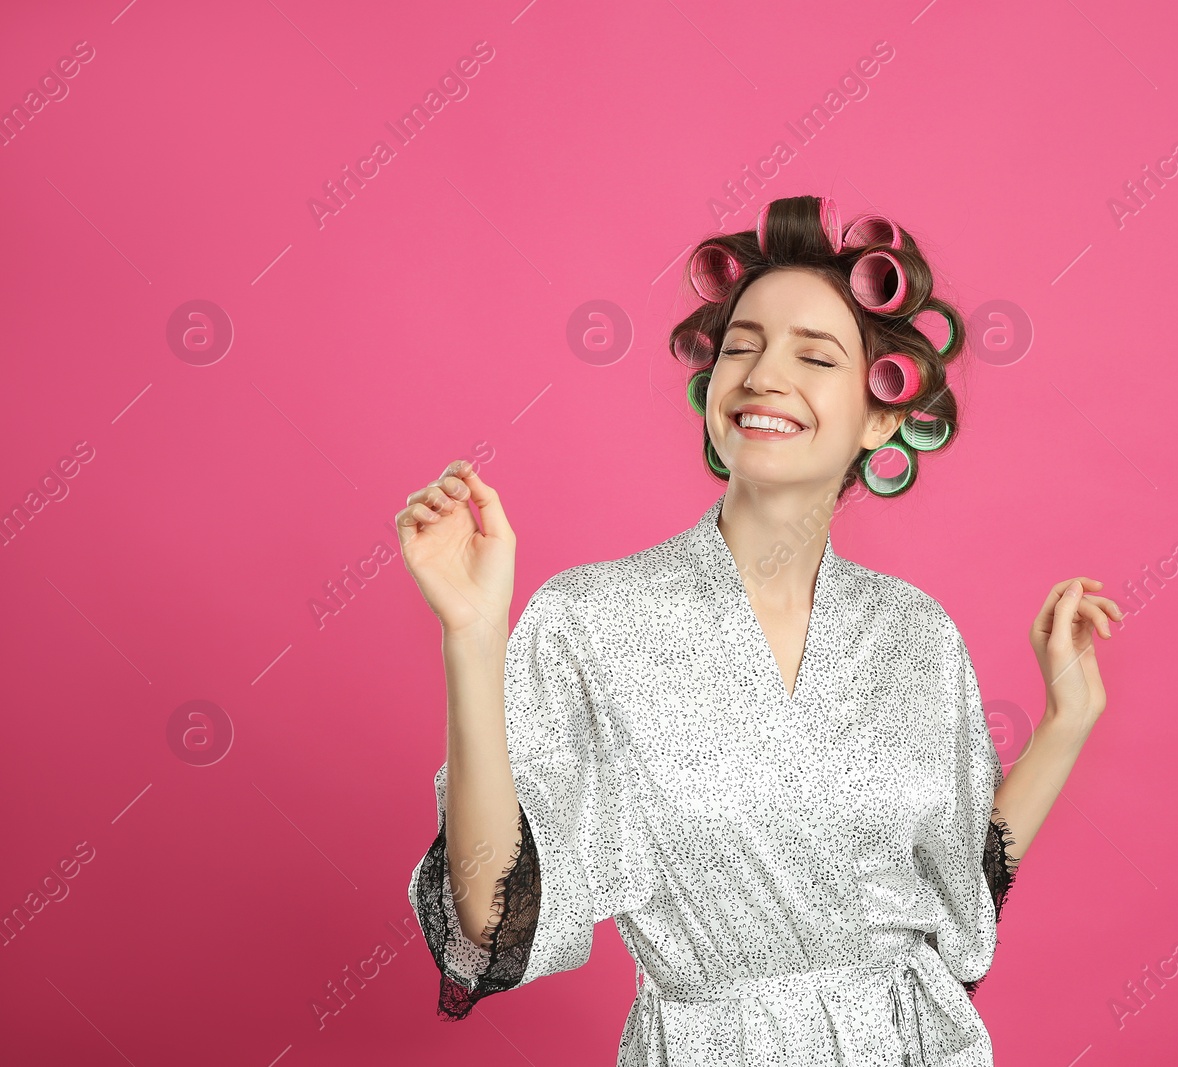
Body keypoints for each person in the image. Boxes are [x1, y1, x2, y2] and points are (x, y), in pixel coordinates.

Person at [397, 195, 1122, 1065]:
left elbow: (955, 896)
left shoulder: (916, 635)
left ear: (884, 414)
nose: (764, 373)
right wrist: (474, 639)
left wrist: (1065, 723)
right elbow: (490, 916)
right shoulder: (594, 619)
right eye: (742, 346)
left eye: (814, 355)